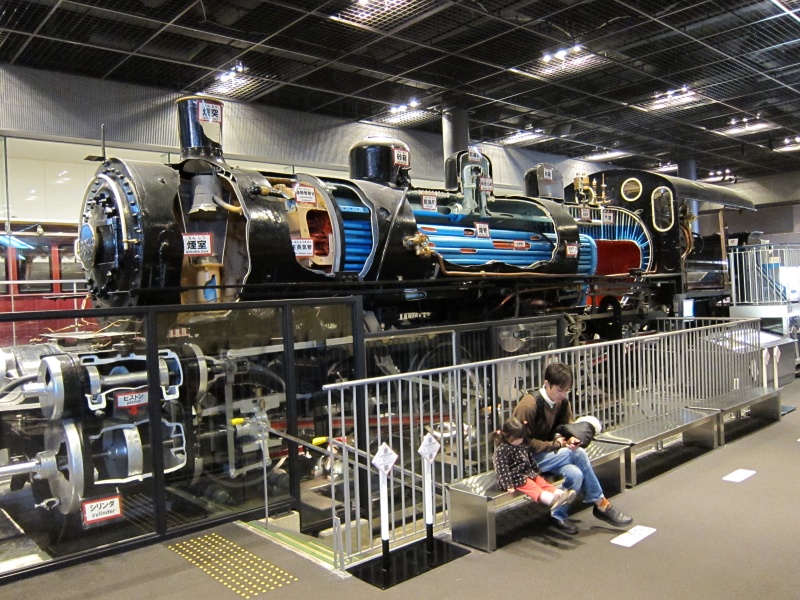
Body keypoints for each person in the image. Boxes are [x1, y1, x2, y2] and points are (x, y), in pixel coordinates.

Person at [513, 361, 633, 535]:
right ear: (546, 384)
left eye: (567, 391)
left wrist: (571, 439)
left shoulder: (562, 403)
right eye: (559, 390)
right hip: (523, 459)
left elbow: (568, 427)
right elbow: (520, 443)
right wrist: (556, 445)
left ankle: (558, 514)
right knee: (579, 454)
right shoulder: (528, 405)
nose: (563, 395)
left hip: (549, 454)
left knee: (575, 473)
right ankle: (601, 503)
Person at [492, 417, 576, 510]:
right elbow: (502, 469)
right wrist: (508, 485)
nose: (520, 440)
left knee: (542, 482)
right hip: (515, 477)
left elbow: (529, 457)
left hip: (527, 472)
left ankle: (560, 494)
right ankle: (551, 500)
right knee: (532, 487)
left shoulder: (522, 444)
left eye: (521, 438)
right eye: (517, 439)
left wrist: (535, 469)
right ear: (508, 436)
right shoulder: (502, 450)